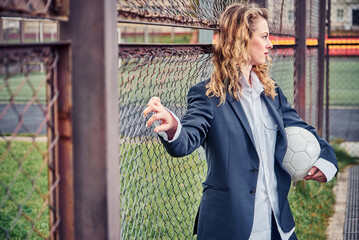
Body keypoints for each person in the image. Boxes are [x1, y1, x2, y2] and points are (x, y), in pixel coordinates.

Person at [143, 3, 338, 240]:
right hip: (230, 227)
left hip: (278, 228)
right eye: (264, 36)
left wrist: (327, 158)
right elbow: (186, 141)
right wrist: (172, 125)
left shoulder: (271, 91)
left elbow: (302, 128)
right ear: (242, 39)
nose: (270, 44)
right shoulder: (209, 95)